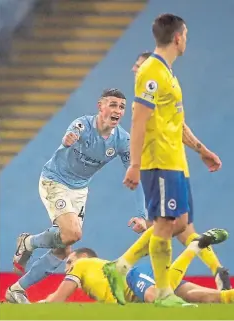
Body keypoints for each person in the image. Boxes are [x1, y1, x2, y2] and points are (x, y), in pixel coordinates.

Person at [103, 13, 223, 307]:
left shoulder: (168, 73)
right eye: (186, 36)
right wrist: (134, 164)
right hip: (159, 161)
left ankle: (120, 266)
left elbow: (176, 123)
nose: (187, 42)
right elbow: (138, 120)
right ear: (178, 37)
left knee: (180, 223)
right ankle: (164, 293)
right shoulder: (152, 72)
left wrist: (201, 150)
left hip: (175, 161)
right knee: (166, 222)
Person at [7, 88, 146, 303]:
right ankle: (29, 242)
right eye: (112, 104)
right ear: (100, 106)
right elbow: (64, 146)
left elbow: (135, 178)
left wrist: (142, 214)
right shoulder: (82, 125)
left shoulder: (122, 141)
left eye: (121, 107)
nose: (117, 110)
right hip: (55, 180)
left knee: (63, 251)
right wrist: (66, 143)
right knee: (72, 233)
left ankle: (16, 289)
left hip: (79, 190)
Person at [129, 51, 231, 291]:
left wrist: (134, 164)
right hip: (170, 164)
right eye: (135, 66)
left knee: (168, 225)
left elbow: (171, 126)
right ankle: (218, 270)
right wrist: (202, 150)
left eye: (139, 66)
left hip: (158, 165)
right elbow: (178, 125)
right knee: (184, 228)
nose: (135, 70)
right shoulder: (156, 92)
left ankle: (125, 266)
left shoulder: (149, 95)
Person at [6, 229, 234, 305]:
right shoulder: (98, 268)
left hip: (137, 277)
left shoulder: (82, 264)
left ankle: (195, 246)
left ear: (82, 256)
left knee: (160, 297)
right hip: (142, 277)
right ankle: (228, 295)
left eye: (69, 261)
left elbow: (57, 299)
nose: (66, 268)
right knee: (206, 297)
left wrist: (33, 307)